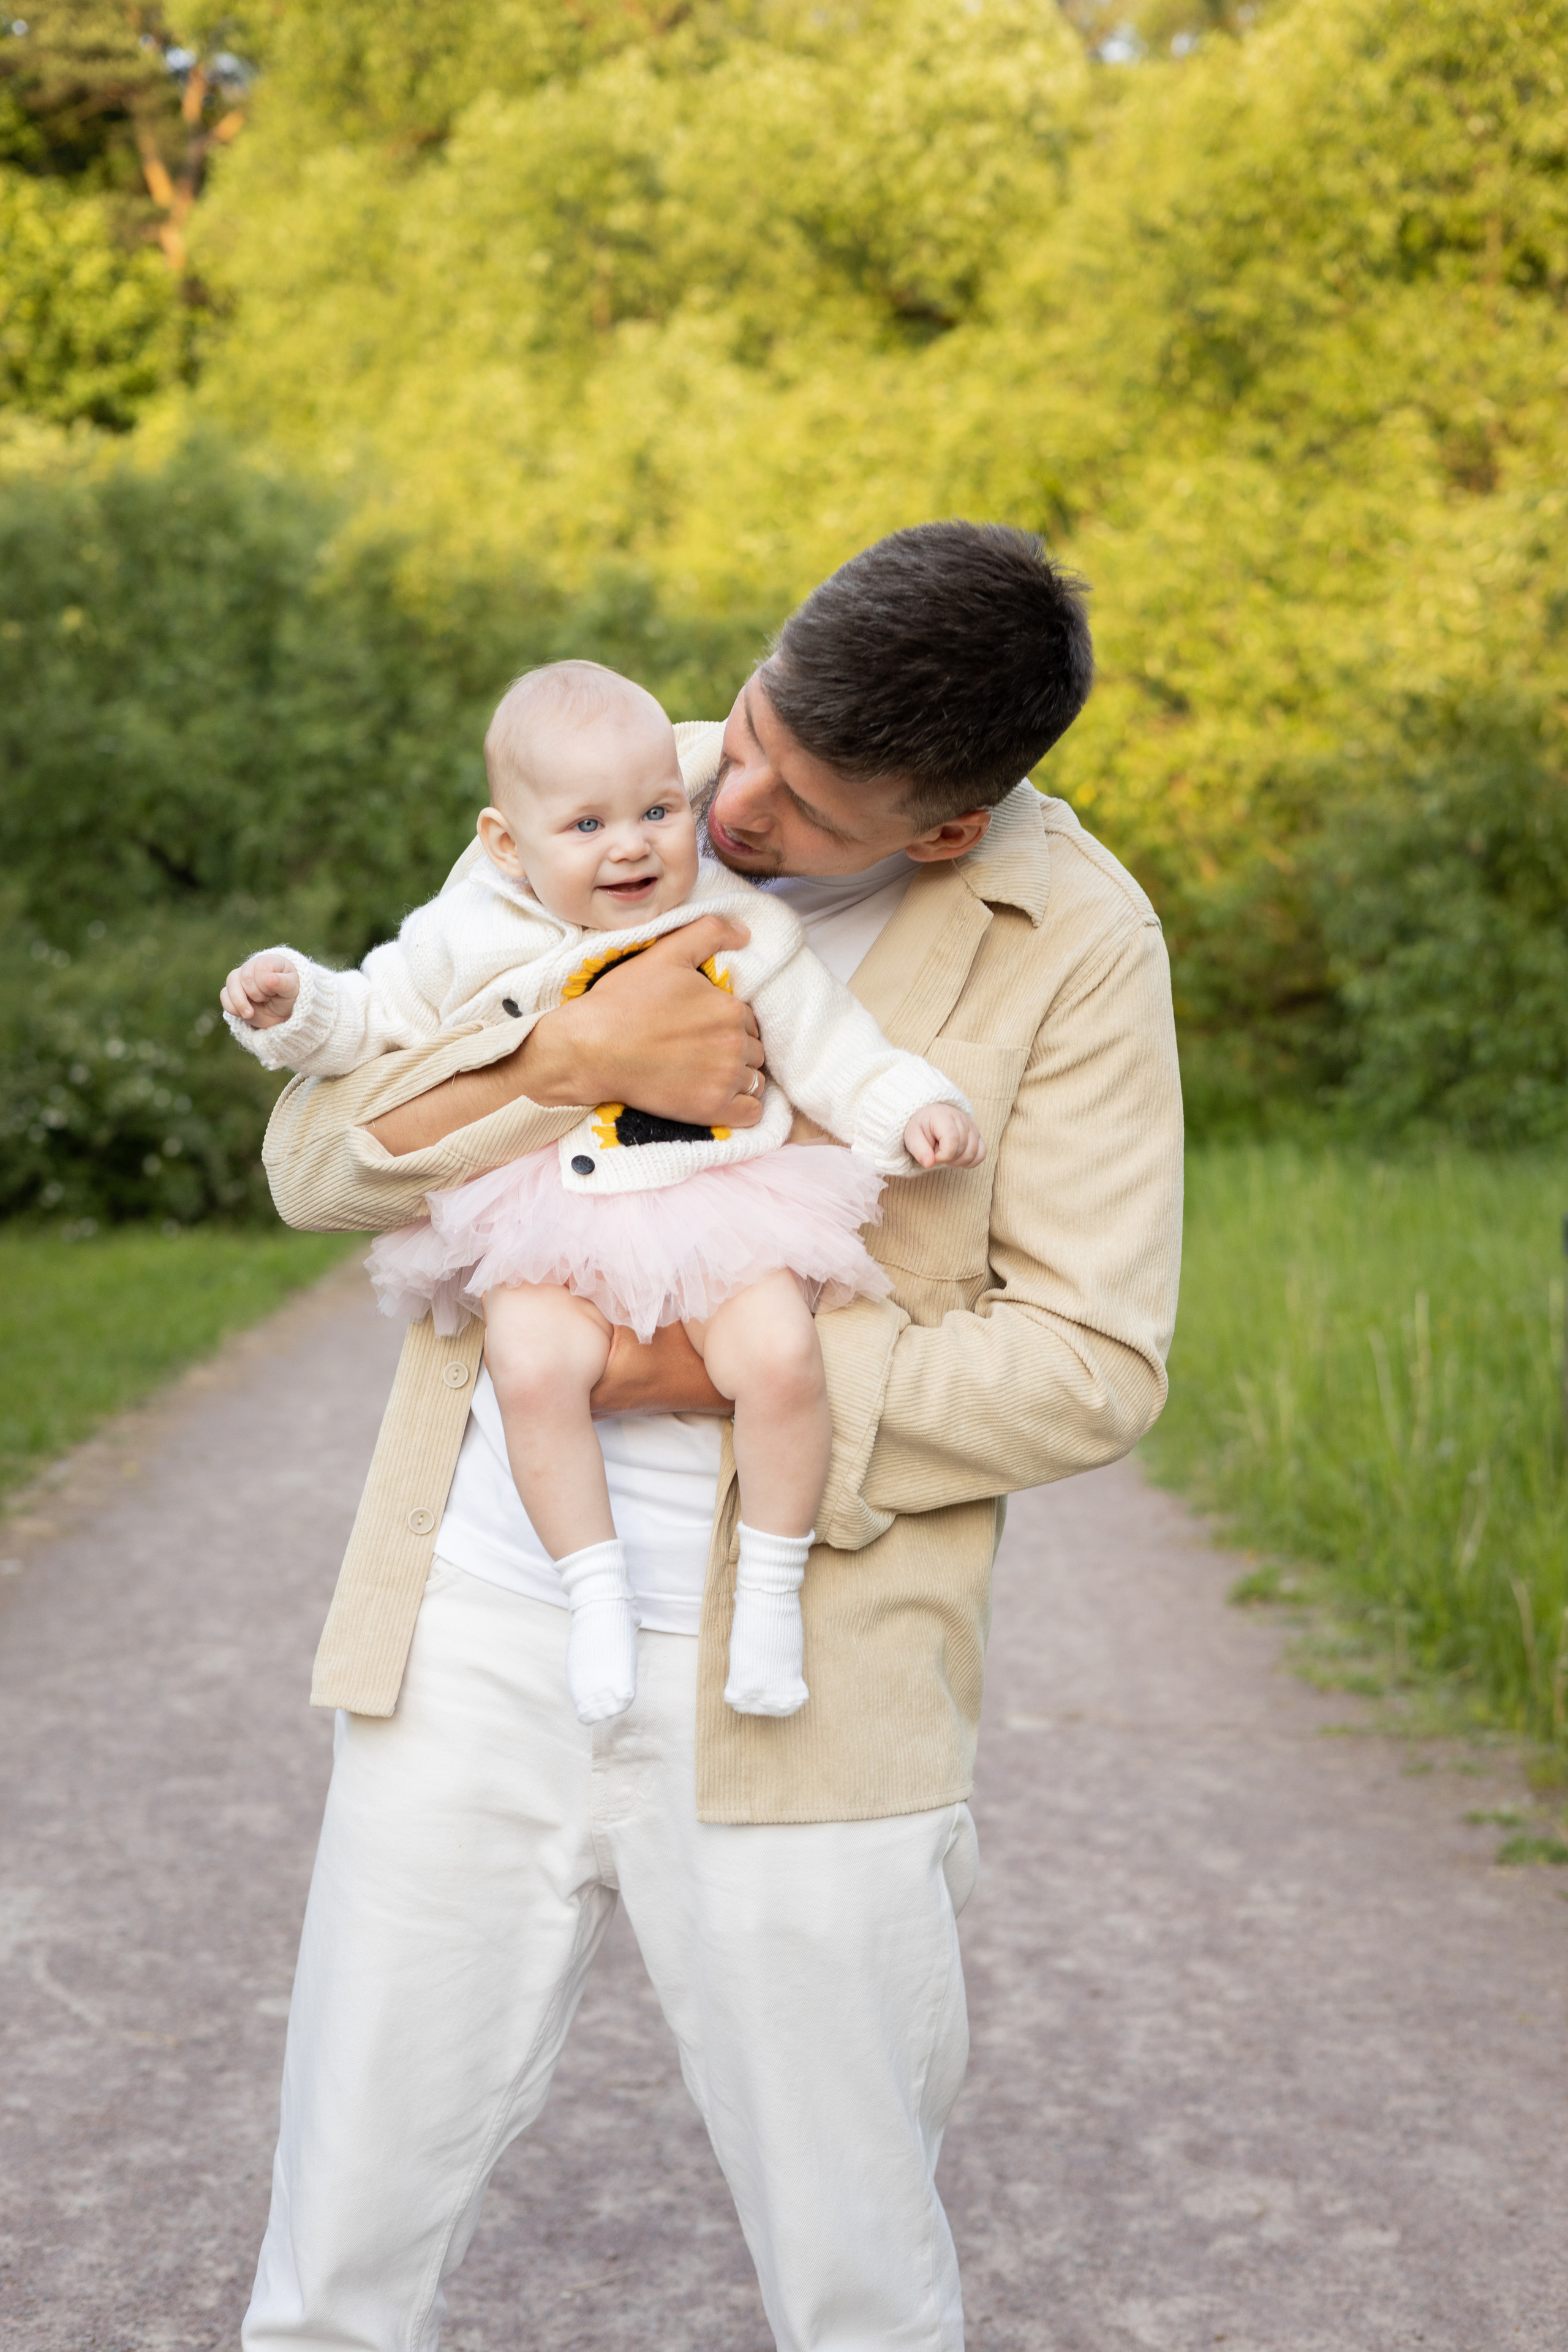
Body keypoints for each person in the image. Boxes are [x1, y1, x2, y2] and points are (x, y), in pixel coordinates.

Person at [241, 521, 1185, 2352]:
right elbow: (316, 1163)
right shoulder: (598, 787)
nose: (727, 803)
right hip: (475, 1620)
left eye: (802, 805)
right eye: (745, 728)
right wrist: (561, 1069)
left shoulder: (1073, 940)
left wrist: (702, 1369)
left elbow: (1091, 1361)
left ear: (943, 833)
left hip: (810, 1678)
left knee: (855, 2280)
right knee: (336, 2252)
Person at [219, 660, 981, 1726]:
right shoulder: (467, 927)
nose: (631, 846)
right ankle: (595, 1596)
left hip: (719, 1199)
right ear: (506, 844)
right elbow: (373, 1018)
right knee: (533, 1368)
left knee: (780, 1358)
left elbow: (830, 1044)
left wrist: (910, 1105)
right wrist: (295, 1006)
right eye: (586, 826)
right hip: (547, 1217)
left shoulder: (739, 921)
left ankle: (770, 1596)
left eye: (659, 812)